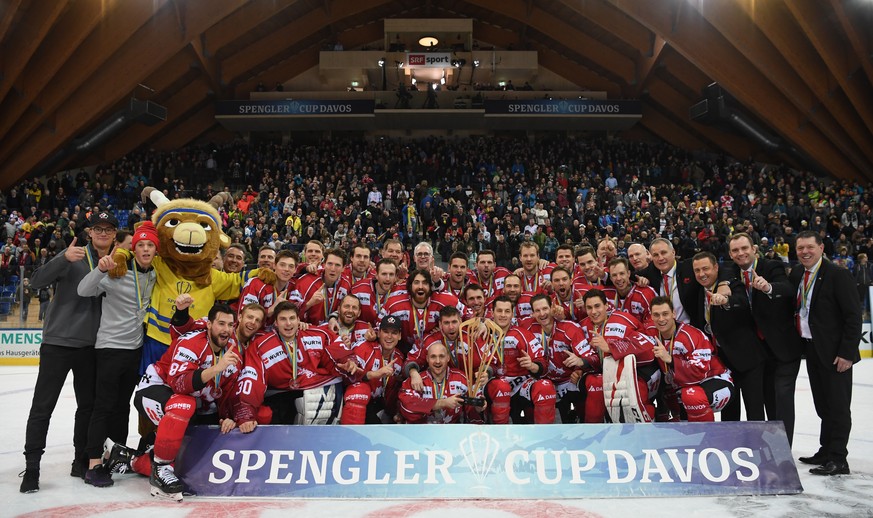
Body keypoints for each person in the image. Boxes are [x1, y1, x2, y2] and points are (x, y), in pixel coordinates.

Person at [20, 211, 118, 494]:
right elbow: (36, 281)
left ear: (113, 235)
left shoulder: (116, 263)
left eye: (108, 229)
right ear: (89, 233)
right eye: (97, 229)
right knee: (42, 407)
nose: (102, 233)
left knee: (87, 407)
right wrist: (62, 258)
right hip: (58, 344)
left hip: (91, 347)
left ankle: (80, 461)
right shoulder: (73, 254)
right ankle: (33, 468)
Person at [76, 221, 159, 487]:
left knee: (122, 407)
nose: (146, 249)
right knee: (103, 406)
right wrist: (100, 270)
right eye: (141, 245)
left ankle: (116, 455)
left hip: (134, 350)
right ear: (134, 249)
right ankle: (93, 464)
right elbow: (83, 290)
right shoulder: (116, 273)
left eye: (150, 245)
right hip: (110, 348)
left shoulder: (155, 274)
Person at [132, 302, 242, 501]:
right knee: (183, 404)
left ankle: (131, 459)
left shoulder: (232, 345)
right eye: (221, 324)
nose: (226, 329)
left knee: (193, 455)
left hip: (195, 401)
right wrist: (217, 369)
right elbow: (179, 384)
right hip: (156, 389)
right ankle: (161, 470)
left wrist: (228, 416)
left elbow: (228, 389)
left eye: (230, 325)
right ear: (209, 324)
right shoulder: (191, 343)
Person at [791, 230, 861, 476]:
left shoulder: (837, 274)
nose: (805, 252)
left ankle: (839, 459)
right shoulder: (799, 273)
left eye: (810, 247)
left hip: (836, 354)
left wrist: (847, 353)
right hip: (812, 348)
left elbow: (853, 317)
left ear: (821, 248)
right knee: (822, 404)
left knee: (838, 407)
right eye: (800, 248)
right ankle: (826, 450)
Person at [727, 233, 802, 443]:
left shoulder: (772, 267)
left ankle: (783, 449)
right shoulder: (730, 272)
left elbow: (787, 289)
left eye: (744, 248)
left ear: (754, 249)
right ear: (730, 255)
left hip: (780, 346)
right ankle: (761, 445)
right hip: (753, 350)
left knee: (780, 401)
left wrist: (768, 287)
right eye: (735, 250)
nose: (740, 253)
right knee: (758, 399)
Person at [239, 301, 357, 425]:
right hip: (282, 395)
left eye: (292, 318)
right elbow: (252, 378)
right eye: (283, 319)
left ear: (298, 320)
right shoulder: (261, 346)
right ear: (276, 323)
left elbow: (339, 350)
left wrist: (349, 362)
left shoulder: (317, 334)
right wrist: (246, 415)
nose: (288, 323)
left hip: (317, 387)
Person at [691, 251, 765, 422]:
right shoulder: (698, 290)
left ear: (716, 267)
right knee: (729, 410)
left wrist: (726, 301)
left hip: (747, 358)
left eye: (706, 269)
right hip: (722, 361)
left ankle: (757, 447)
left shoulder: (732, 284)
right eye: (697, 270)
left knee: (754, 409)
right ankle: (731, 446)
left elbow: (741, 301)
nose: (702, 274)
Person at [649, 297, 735, 421]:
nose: (661, 319)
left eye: (665, 314)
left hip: (716, 380)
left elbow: (699, 372)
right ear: (651, 316)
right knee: (674, 395)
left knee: (691, 395)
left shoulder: (691, 335)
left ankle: (707, 437)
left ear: (674, 314)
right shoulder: (652, 334)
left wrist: (670, 360)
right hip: (684, 387)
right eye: (656, 315)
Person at [341, 315, 406, 424]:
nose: (389, 336)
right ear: (379, 333)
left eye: (394, 333)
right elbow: (349, 376)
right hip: (361, 403)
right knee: (360, 389)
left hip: (380, 404)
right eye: (385, 331)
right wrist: (375, 374)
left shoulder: (399, 358)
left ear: (399, 336)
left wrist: (396, 412)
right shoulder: (364, 348)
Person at [398, 341, 479, 423]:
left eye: (441, 356)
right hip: (422, 433)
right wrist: (443, 403)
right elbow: (407, 408)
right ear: (427, 359)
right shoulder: (416, 381)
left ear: (448, 358)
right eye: (433, 357)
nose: (437, 361)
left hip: (452, 433)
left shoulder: (462, 379)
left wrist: (478, 408)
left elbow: (473, 411)